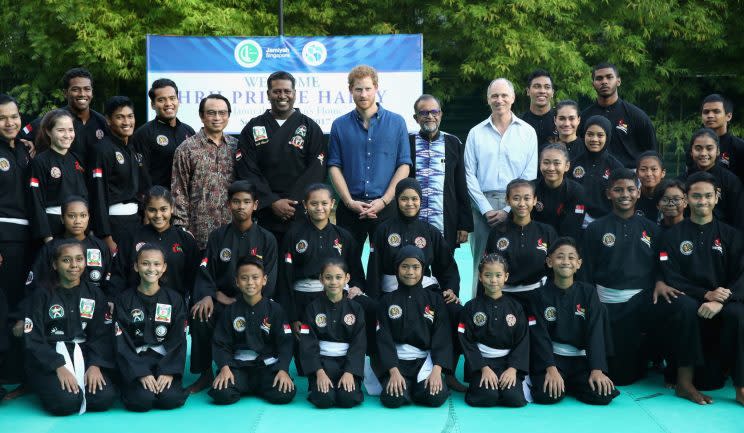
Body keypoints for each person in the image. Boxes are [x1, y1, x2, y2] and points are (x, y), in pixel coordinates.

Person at [582, 169, 705, 394]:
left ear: (638, 193)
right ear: (609, 193)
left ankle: (683, 377)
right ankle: (644, 356)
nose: (624, 194)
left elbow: (662, 265)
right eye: (618, 190)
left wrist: (659, 281)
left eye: (630, 189)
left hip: (644, 300)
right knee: (623, 377)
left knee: (684, 305)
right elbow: (586, 272)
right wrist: (592, 305)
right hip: (609, 305)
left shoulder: (652, 229)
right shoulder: (595, 229)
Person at [366, 178, 463, 390]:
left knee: (455, 311)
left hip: (424, 290)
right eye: (404, 199)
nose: (409, 203)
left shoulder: (430, 231)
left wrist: (450, 290)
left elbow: (447, 266)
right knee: (372, 311)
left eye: (414, 199)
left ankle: (448, 371)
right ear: (396, 201)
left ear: (421, 201)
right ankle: (382, 369)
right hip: (390, 290)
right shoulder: (383, 230)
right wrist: (373, 299)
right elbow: (374, 268)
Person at [659, 171, 744, 405]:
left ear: (717, 197)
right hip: (690, 301)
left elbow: (741, 275)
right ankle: (684, 382)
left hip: (722, 303)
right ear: (687, 199)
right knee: (684, 306)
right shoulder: (672, 236)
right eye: (696, 196)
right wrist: (704, 294)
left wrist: (721, 300)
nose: (702, 201)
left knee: (739, 314)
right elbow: (670, 275)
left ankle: (741, 387)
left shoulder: (731, 236)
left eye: (708, 196)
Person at [188, 181, 277, 393]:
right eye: (236, 201)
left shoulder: (267, 238)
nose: (241, 206)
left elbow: (271, 277)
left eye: (246, 202)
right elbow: (205, 270)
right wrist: (209, 296)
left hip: (256, 302)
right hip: (224, 302)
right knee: (201, 313)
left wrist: (248, 300)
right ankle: (205, 373)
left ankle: (257, 368)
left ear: (255, 205)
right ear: (228, 204)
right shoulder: (218, 236)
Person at [328, 65, 411, 264]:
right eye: (358, 89)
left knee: (387, 267)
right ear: (350, 90)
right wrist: (348, 202)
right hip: (350, 209)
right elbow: (333, 166)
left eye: (367, 88)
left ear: (376, 88)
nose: (363, 94)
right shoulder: (339, 125)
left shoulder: (397, 122)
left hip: (386, 209)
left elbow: (404, 165)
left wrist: (383, 201)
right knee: (345, 265)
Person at [24, 240, 116, 415]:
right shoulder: (41, 294)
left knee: (103, 398)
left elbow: (101, 335)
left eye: (79, 259)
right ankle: (45, 386)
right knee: (66, 403)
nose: (74, 265)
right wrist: (58, 366)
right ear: (55, 264)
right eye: (66, 260)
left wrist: (95, 365)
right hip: (50, 356)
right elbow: (33, 338)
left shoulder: (94, 294)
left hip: (84, 354)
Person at [235, 71, 327, 245]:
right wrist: (272, 201)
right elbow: (247, 168)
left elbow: (316, 169)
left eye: (287, 91)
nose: (282, 96)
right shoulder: (253, 127)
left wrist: (292, 202)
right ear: (268, 94)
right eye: (277, 91)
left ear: (294, 94)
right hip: (264, 211)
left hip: (298, 211)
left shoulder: (310, 127)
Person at [465, 78, 538, 291]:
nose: (499, 100)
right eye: (495, 96)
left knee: (514, 260)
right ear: (488, 99)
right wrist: (486, 209)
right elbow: (468, 174)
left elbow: (529, 174)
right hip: (481, 207)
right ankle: (477, 313)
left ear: (513, 98)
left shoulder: (527, 132)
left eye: (504, 95)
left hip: (517, 207)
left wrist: (508, 209)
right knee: (481, 263)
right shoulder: (475, 133)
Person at [530, 237, 619, 405]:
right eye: (560, 256)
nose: (565, 261)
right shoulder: (538, 296)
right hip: (554, 359)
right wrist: (550, 368)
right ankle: (563, 383)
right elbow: (539, 335)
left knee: (603, 395)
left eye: (571, 257)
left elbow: (595, 331)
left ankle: (572, 384)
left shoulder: (589, 293)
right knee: (546, 395)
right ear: (549, 262)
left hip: (581, 361)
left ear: (579, 263)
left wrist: (597, 369)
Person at [209, 255, 296, 405]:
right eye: (244, 278)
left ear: (264, 280)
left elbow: (286, 343)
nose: (250, 282)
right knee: (221, 393)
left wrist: (283, 369)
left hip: (267, 367)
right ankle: (247, 385)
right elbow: (220, 343)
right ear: (237, 281)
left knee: (284, 393)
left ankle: (255, 386)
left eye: (255, 277)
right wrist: (224, 367)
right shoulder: (230, 311)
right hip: (239, 367)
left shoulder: (275, 310)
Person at [375, 245, 452, 408]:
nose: (410, 272)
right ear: (397, 269)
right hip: (397, 362)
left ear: (423, 269)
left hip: (424, 361)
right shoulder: (387, 301)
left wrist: (437, 371)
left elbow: (442, 336)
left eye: (416, 267)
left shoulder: (435, 300)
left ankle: (414, 389)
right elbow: (384, 339)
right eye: (405, 266)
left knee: (436, 397)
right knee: (392, 399)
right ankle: (407, 388)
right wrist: (393, 371)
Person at [114, 244, 188, 411]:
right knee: (142, 401)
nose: (151, 269)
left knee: (170, 399)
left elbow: (179, 339)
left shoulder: (174, 299)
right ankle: (132, 384)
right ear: (136, 266)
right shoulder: (124, 300)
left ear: (164, 268)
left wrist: (168, 370)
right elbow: (121, 341)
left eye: (156, 264)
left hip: (163, 359)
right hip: (136, 359)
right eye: (145, 263)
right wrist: (140, 372)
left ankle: (163, 378)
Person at [278, 183, 365, 326]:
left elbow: (356, 272)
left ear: (332, 203)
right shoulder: (293, 235)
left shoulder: (344, 236)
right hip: (303, 299)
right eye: (314, 203)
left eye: (324, 203)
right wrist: (292, 317)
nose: (319, 208)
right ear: (305, 205)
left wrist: (356, 286)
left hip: (338, 299)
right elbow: (284, 279)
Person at [458, 253, 528, 407]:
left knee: (514, 399)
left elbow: (522, 340)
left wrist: (513, 369)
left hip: (507, 362)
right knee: (487, 396)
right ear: (480, 277)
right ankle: (479, 385)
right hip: (481, 363)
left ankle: (509, 384)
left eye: (498, 275)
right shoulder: (470, 307)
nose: (493, 280)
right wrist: (482, 368)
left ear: (506, 276)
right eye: (488, 275)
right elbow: (466, 340)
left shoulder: (516, 307)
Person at [108, 186, 200, 302]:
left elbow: (196, 278)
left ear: (172, 208)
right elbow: (118, 274)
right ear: (145, 210)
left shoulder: (185, 240)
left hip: (174, 308)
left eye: (163, 209)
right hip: (135, 305)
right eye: (152, 210)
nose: (158, 215)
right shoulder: (131, 237)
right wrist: (112, 299)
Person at [171, 94, 238, 251]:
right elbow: (178, 191)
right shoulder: (186, 149)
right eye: (211, 112)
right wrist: (182, 230)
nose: (217, 117)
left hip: (232, 231)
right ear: (201, 116)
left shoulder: (236, 147)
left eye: (222, 113)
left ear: (228, 115)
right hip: (197, 235)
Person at [298, 257, 366, 408]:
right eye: (328, 277)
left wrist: (350, 372)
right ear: (321, 279)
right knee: (324, 399)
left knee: (348, 399)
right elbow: (308, 344)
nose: (333, 282)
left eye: (338, 277)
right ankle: (317, 384)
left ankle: (349, 380)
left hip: (346, 363)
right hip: (322, 363)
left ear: (347, 278)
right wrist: (319, 372)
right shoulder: (312, 308)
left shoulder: (356, 308)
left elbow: (359, 344)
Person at [408, 94, 473, 252]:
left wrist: (464, 224)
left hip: (446, 221)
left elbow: (460, 185)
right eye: (424, 113)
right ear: (416, 118)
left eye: (434, 112)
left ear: (440, 114)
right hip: (412, 222)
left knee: (445, 270)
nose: (430, 116)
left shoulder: (453, 142)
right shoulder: (406, 142)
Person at [484, 179, 557, 305]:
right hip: (504, 298)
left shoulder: (546, 232)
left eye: (527, 198)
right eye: (516, 198)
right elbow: (487, 267)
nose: (522, 203)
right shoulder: (497, 232)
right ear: (507, 200)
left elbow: (554, 269)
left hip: (538, 297)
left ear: (534, 200)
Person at [91, 96, 146, 254]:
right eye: (120, 117)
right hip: (114, 224)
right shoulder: (102, 150)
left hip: (135, 222)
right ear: (108, 120)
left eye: (130, 116)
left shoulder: (133, 148)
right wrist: (105, 235)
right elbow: (98, 194)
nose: (126, 122)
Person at [27, 197, 111, 300]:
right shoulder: (51, 248)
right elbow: (36, 283)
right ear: (62, 218)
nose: (77, 221)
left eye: (83, 216)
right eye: (71, 216)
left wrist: (108, 301)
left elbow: (110, 281)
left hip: (93, 306)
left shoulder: (100, 246)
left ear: (88, 217)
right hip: (57, 304)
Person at [21, 68, 108, 166]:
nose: (82, 94)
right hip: (62, 178)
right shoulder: (54, 118)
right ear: (65, 93)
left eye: (87, 89)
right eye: (75, 89)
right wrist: (25, 142)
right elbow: (20, 134)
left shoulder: (101, 121)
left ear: (92, 92)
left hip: (96, 179)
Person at [579, 62, 657, 168]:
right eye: (599, 78)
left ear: (618, 81)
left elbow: (652, 154)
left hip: (629, 177)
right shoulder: (584, 117)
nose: (604, 82)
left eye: (609, 77)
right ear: (593, 84)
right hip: (594, 175)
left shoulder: (637, 116)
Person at [29, 109, 87, 241]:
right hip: (52, 228)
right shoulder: (40, 161)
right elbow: (36, 201)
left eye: (70, 130)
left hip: (77, 229)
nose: (67, 135)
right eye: (61, 130)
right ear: (49, 132)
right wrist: (46, 236)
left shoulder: (76, 160)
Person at [0, 94, 33, 319]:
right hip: (4, 238)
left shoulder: (24, 149)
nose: (10, 122)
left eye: (14, 116)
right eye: (2, 118)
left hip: (29, 237)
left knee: (24, 300)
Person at [131, 78, 195, 189]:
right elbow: (141, 175)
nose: (168, 104)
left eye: (172, 98)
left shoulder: (188, 131)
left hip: (186, 201)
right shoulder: (143, 134)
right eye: (161, 100)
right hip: (158, 202)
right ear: (153, 104)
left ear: (178, 100)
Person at [678, 128, 744, 230]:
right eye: (698, 148)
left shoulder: (731, 181)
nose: (703, 153)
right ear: (691, 151)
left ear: (717, 151)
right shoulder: (681, 181)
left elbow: (739, 218)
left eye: (709, 148)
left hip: (723, 238)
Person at [569, 115, 623, 225]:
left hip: (606, 224)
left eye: (600, 135)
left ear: (607, 137)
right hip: (576, 223)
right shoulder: (573, 163)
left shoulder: (616, 167)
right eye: (590, 134)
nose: (594, 139)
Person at [533, 143, 587, 239]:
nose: (551, 168)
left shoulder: (576, 192)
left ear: (567, 166)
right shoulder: (531, 189)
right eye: (546, 162)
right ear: (539, 164)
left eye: (557, 163)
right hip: (536, 242)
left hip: (564, 245)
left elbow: (572, 229)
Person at [699, 94, 744, 183]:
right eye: (706, 112)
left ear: (729, 116)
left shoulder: (740, 147)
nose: (710, 115)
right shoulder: (696, 146)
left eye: (716, 111)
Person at [521, 69, 557, 149]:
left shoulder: (561, 120)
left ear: (552, 93)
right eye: (537, 86)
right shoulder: (519, 122)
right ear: (528, 91)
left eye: (547, 87)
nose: (542, 91)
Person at [635, 151, 666, 223]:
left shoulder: (669, 198)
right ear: (637, 173)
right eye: (643, 169)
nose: (648, 174)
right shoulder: (633, 199)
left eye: (654, 169)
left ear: (663, 173)